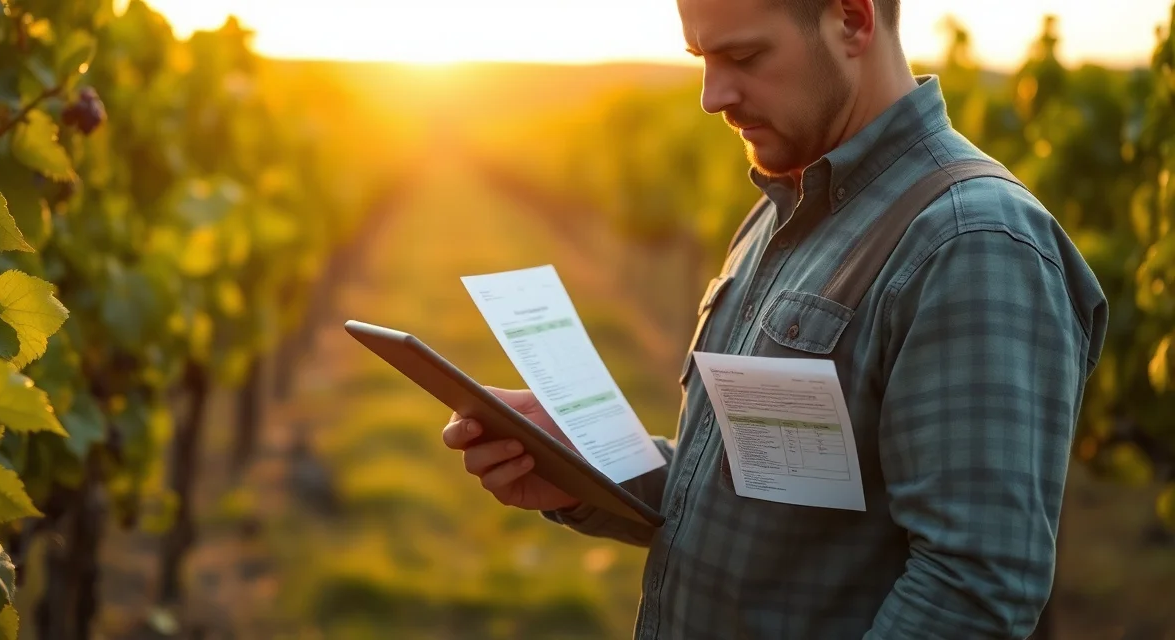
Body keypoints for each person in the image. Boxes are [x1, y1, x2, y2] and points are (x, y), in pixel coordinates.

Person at [442, 0, 1109, 637]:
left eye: (743, 57)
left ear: (852, 20)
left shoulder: (971, 240)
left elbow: (972, 589)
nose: (712, 97)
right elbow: (745, 484)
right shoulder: (779, 212)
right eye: (703, 58)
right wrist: (581, 468)